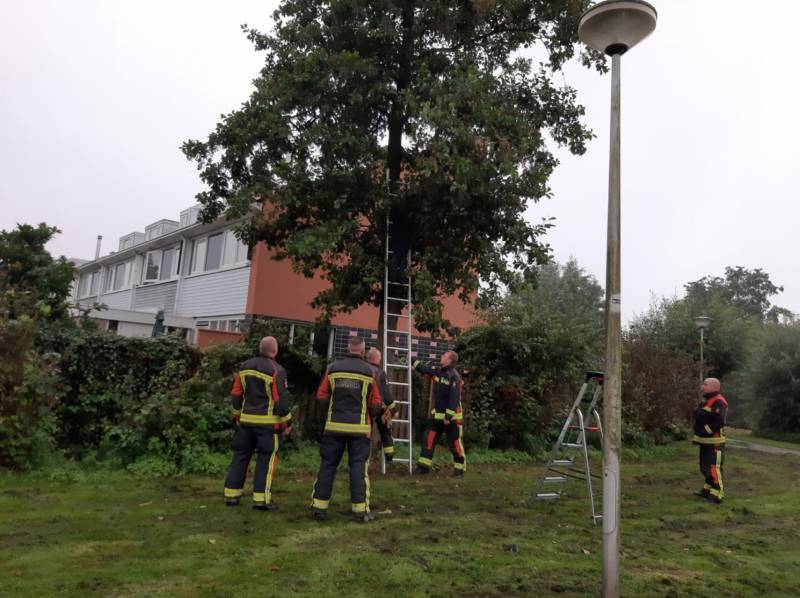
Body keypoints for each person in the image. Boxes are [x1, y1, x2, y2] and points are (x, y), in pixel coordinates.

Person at [312, 336, 384, 523]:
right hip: (359, 430)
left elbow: (321, 396)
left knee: (327, 466)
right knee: (358, 469)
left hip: (333, 426)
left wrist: (330, 411)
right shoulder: (370, 371)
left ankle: (319, 508)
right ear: (362, 351)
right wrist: (371, 414)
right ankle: (360, 511)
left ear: (348, 348)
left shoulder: (333, 368)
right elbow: (376, 403)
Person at [223, 336, 293, 510]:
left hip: (246, 422)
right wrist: (287, 423)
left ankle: (231, 496)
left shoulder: (244, 367)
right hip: (267, 425)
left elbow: (236, 394)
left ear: (260, 349)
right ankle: (261, 500)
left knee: (240, 457)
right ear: (275, 351)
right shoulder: (277, 370)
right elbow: (280, 401)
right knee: (265, 460)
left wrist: (238, 416)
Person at [413, 350, 466, 477]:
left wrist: (448, 416)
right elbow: (426, 370)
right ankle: (423, 468)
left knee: (454, 444)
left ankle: (459, 470)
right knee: (428, 439)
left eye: (444, 355)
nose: (441, 356)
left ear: (449, 360)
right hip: (437, 417)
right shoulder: (439, 372)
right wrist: (413, 361)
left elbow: (454, 398)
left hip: (452, 419)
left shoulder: (454, 377)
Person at [692, 377, 728, 504]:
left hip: (715, 442)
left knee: (713, 468)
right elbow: (698, 415)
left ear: (714, 387)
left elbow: (718, 422)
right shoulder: (706, 400)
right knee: (704, 467)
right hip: (705, 442)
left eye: (705, 384)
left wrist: (706, 430)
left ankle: (717, 494)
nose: (703, 386)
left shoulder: (719, 401)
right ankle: (707, 490)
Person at [366, 348, 397, 463]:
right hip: (380, 406)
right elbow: (386, 393)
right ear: (376, 358)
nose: (380, 359)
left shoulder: (363, 369)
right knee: (385, 430)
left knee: (366, 430)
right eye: (379, 357)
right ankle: (389, 457)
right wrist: (393, 409)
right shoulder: (380, 373)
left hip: (365, 406)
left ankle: (365, 456)